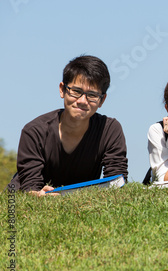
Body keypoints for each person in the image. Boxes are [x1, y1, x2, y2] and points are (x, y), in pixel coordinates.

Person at [11, 55, 128, 196]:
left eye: (92, 95)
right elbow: (30, 187)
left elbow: (117, 182)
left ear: (102, 100)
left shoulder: (109, 130)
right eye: (76, 92)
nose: (83, 101)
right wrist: (37, 194)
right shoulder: (35, 131)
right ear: (62, 89)